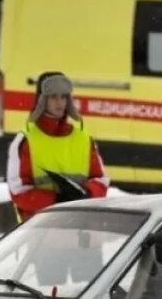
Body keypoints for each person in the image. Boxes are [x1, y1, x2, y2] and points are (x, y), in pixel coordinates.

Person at [7, 71, 110, 221]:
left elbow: (101, 179)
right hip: (41, 231)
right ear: (42, 100)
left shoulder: (84, 138)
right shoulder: (26, 141)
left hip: (81, 230)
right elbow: (19, 191)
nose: (59, 102)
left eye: (63, 97)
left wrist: (88, 193)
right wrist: (57, 201)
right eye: (53, 97)